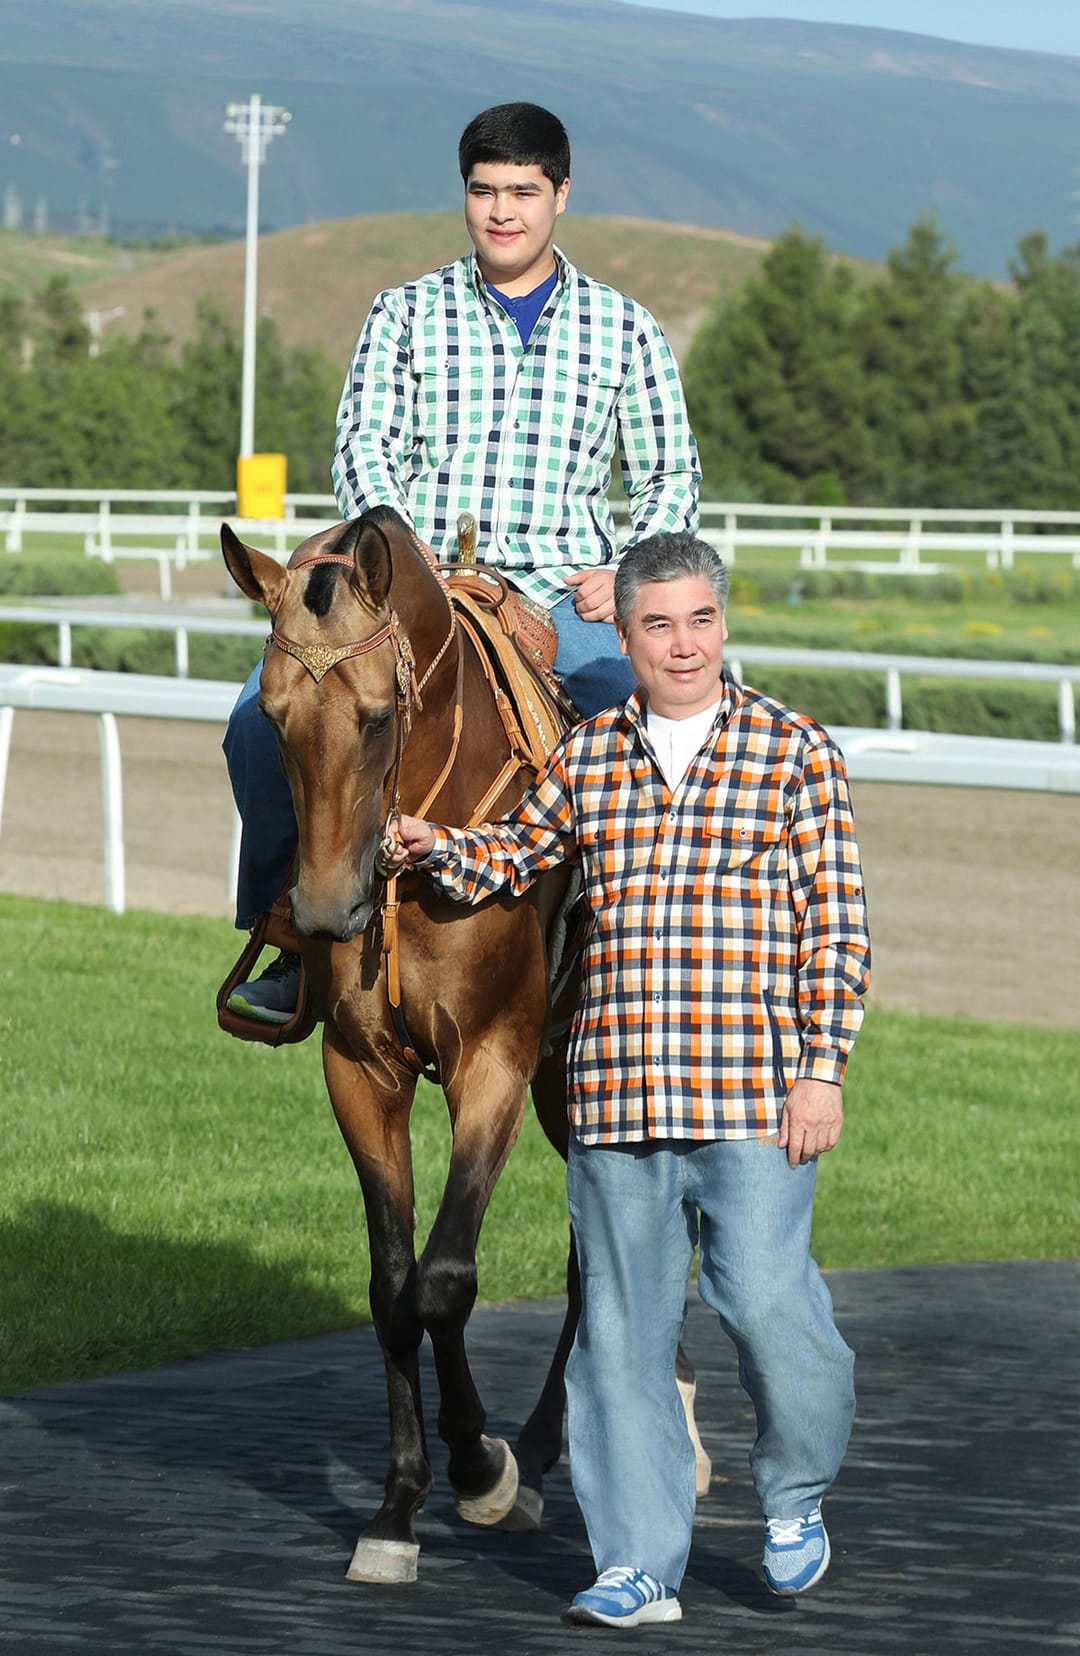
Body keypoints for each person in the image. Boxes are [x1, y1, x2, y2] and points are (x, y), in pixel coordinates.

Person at [387, 531, 871, 1630]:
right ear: (626, 634)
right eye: (658, 624)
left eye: (700, 619)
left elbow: (837, 932)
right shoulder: (592, 754)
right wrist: (433, 845)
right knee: (620, 1341)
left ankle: (795, 1492)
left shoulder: (797, 753)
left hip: (755, 1098)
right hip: (614, 1097)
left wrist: (822, 1074)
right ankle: (638, 1564)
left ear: (724, 624)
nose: (682, 644)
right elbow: (519, 853)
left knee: (766, 1306)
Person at [224, 100, 700, 1023]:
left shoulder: (624, 327)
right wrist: (408, 564)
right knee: (257, 720)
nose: (503, 211)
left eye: (524, 191)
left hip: (567, 591)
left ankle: (617, 965)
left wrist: (632, 571)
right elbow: (364, 450)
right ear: (465, 196)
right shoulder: (403, 312)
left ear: (562, 194)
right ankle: (286, 930)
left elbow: (670, 473)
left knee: (644, 738)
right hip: (415, 587)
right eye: (485, 191)